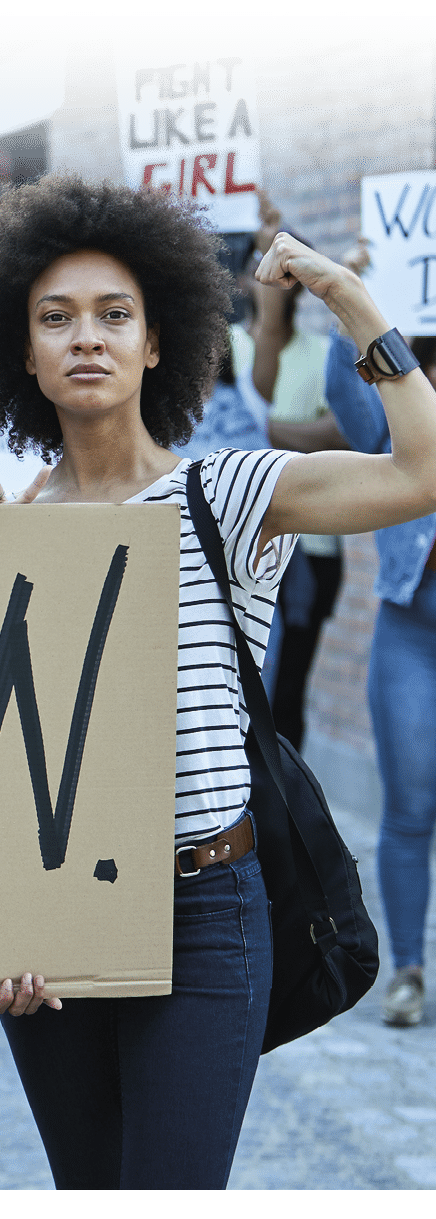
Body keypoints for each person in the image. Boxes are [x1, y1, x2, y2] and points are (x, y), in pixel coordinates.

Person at [0, 172, 436, 1188]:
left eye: (116, 315)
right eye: (57, 318)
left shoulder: (229, 491)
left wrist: (352, 303)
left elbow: (420, 472)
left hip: (209, 908)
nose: (88, 337)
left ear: (157, 343)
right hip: (55, 906)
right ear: (20, 352)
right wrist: (1, 920)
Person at [320, 249, 436, 1028]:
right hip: (408, 633)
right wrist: (345, 291)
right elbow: (339, 388)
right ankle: (408, 970)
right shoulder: (399, 417)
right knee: (408, 805)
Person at [237, 196, 350, 749]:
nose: (278, 282)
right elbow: (314, 435)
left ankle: (286, 824)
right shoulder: (225, 346)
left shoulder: (328, 352)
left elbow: (343, 434)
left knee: (286, 699)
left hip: (311, 557)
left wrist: (261, 432)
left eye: (289, 271)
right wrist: (293, 438)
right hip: (238, 545)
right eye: (266, 269)